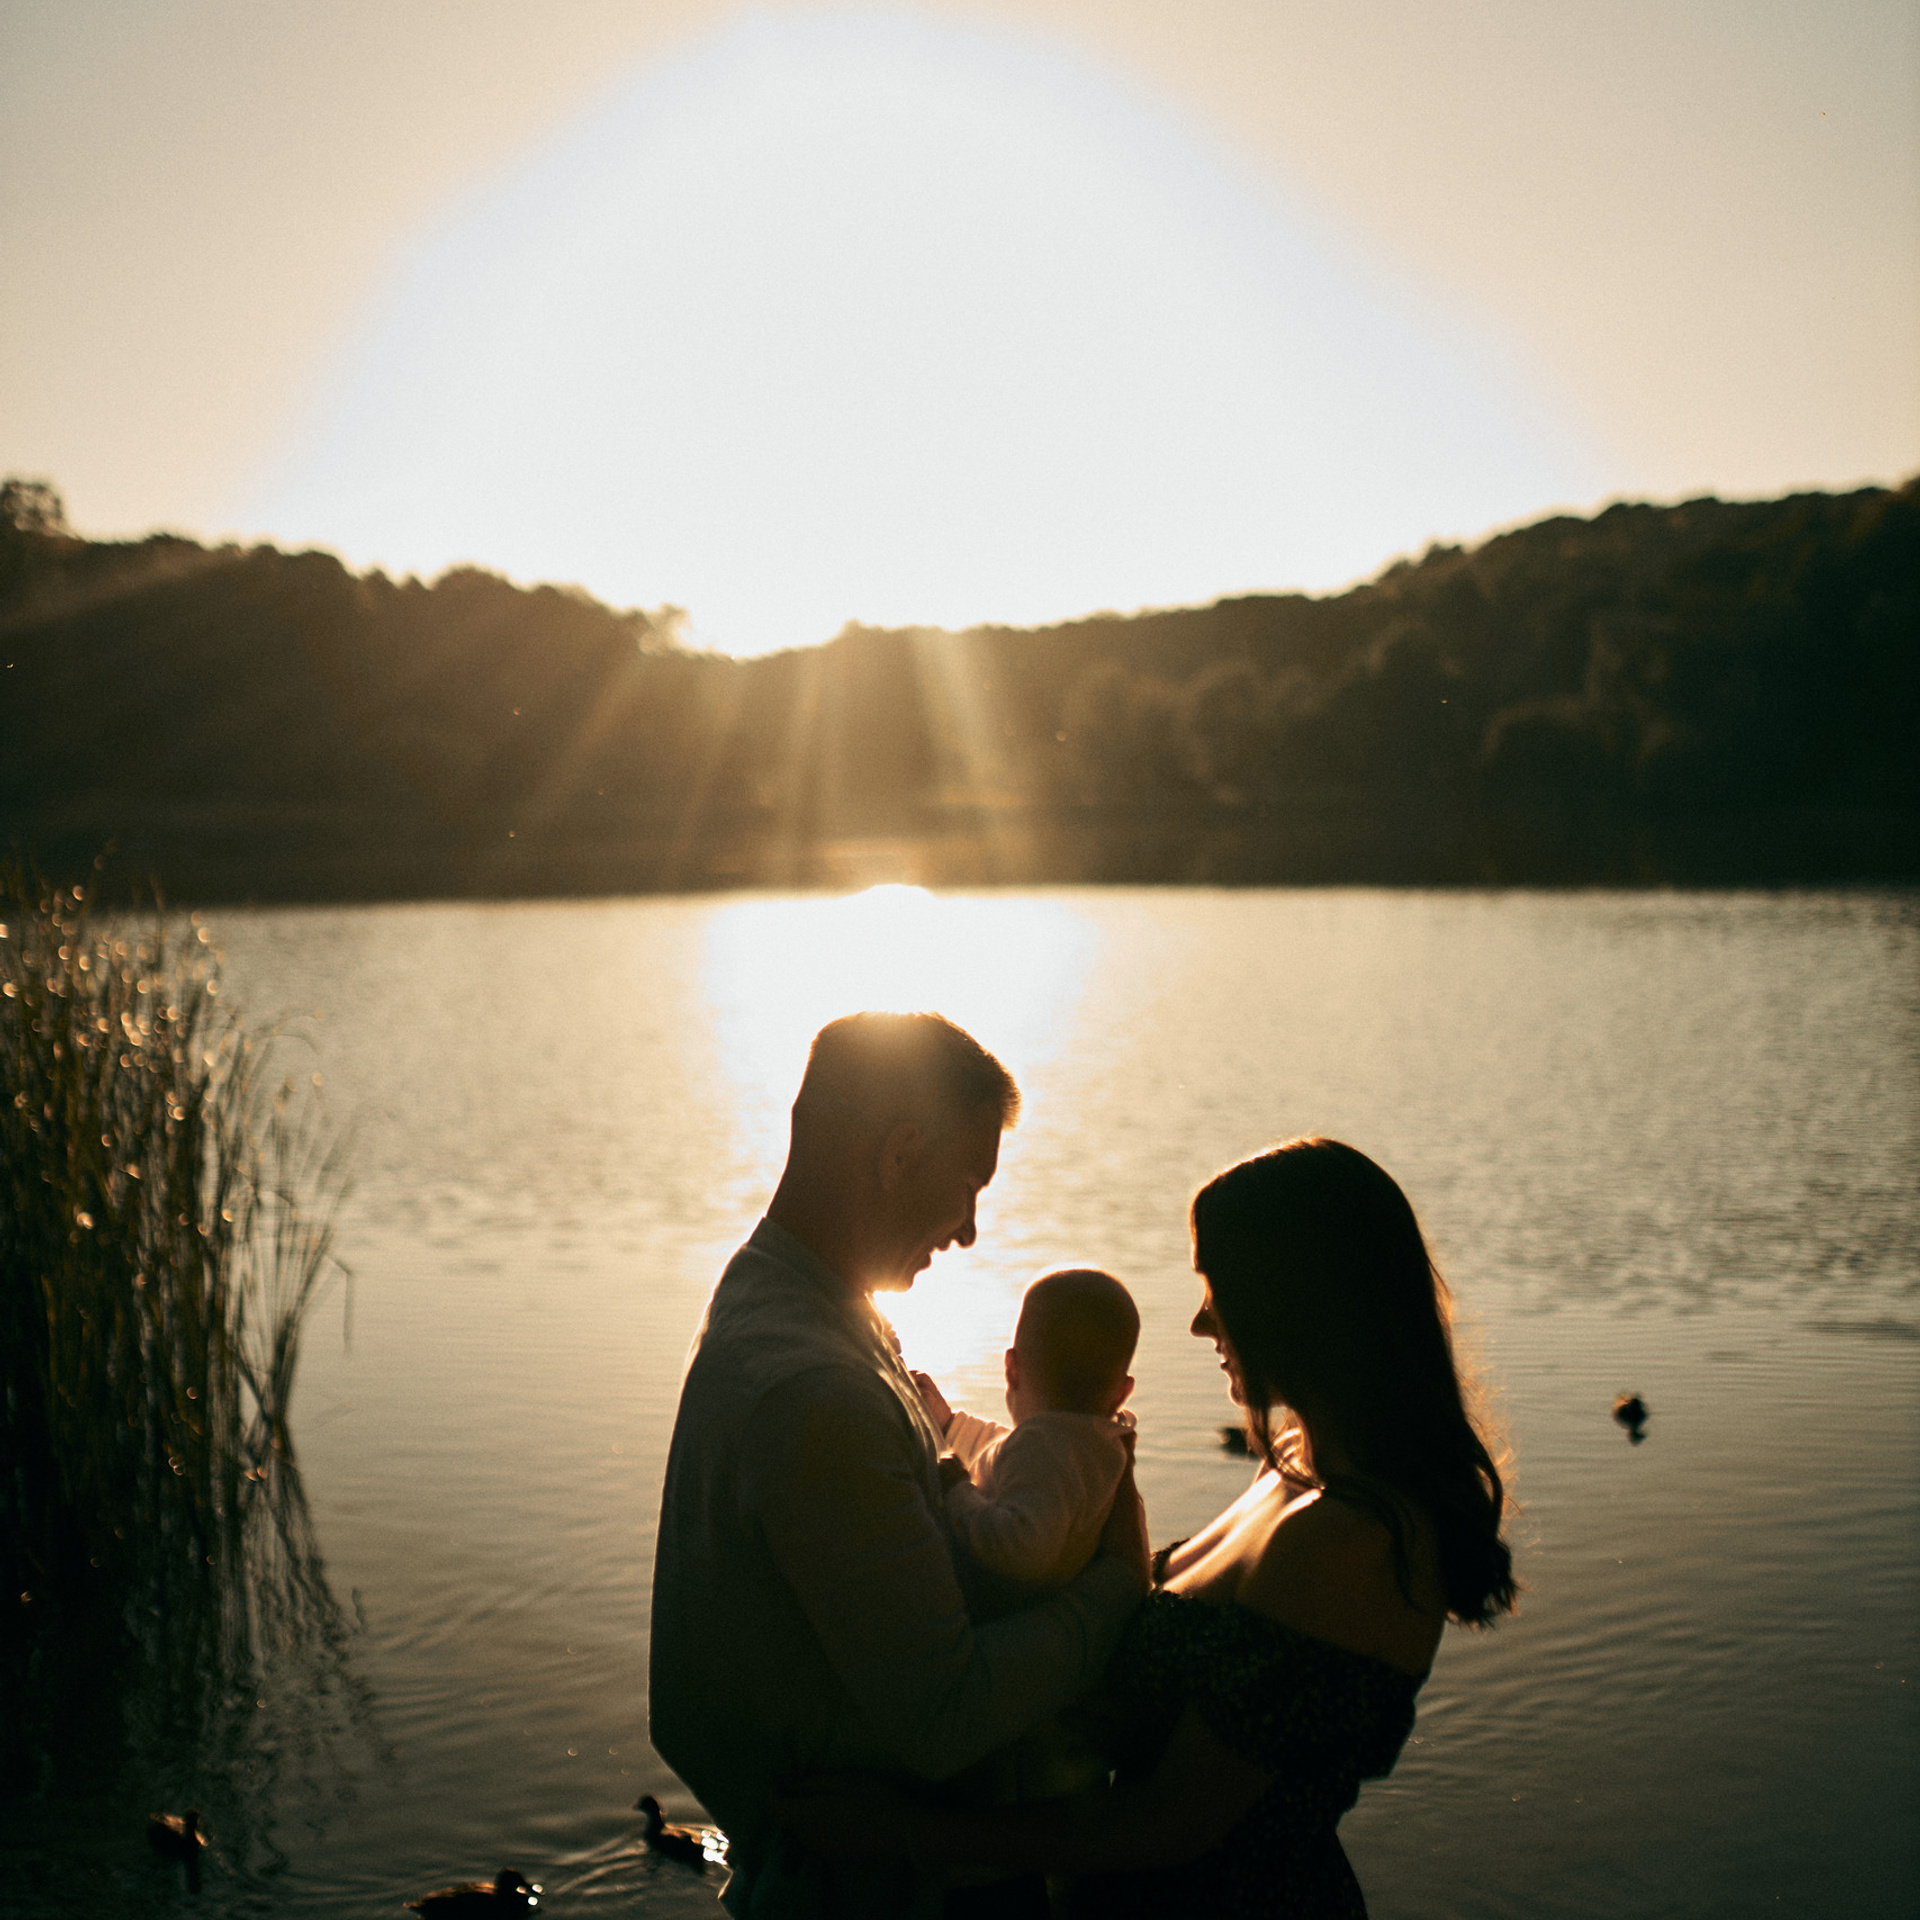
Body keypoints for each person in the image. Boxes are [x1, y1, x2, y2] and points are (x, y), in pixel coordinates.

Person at [780, 1137, 1517, 1919]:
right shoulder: (1294, 1465)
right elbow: (1132, 1589)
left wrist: (899, 1832)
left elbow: (1167, 1824)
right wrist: (1093, 1456)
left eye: (1217, 1288)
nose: (1202, 1324)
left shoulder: (1356, 1542)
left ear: (1294, 1297)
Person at [649, 1012, 1147, 1919]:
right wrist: (1116, 1587)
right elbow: (944, 1715)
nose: (967, 1231)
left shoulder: (774, 1296)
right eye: (968, 1187)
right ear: (899, 1152)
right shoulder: (818, 1394)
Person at [914, 1268, 1139, 1595]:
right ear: (1121, 1392)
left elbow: (1022, 1549)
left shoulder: (1041, 1445)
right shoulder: (1096, 1447)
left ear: (1012, 1370)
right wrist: (952, 1426)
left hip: (998, 1611)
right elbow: (1012, 1458)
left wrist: (957, 1489)